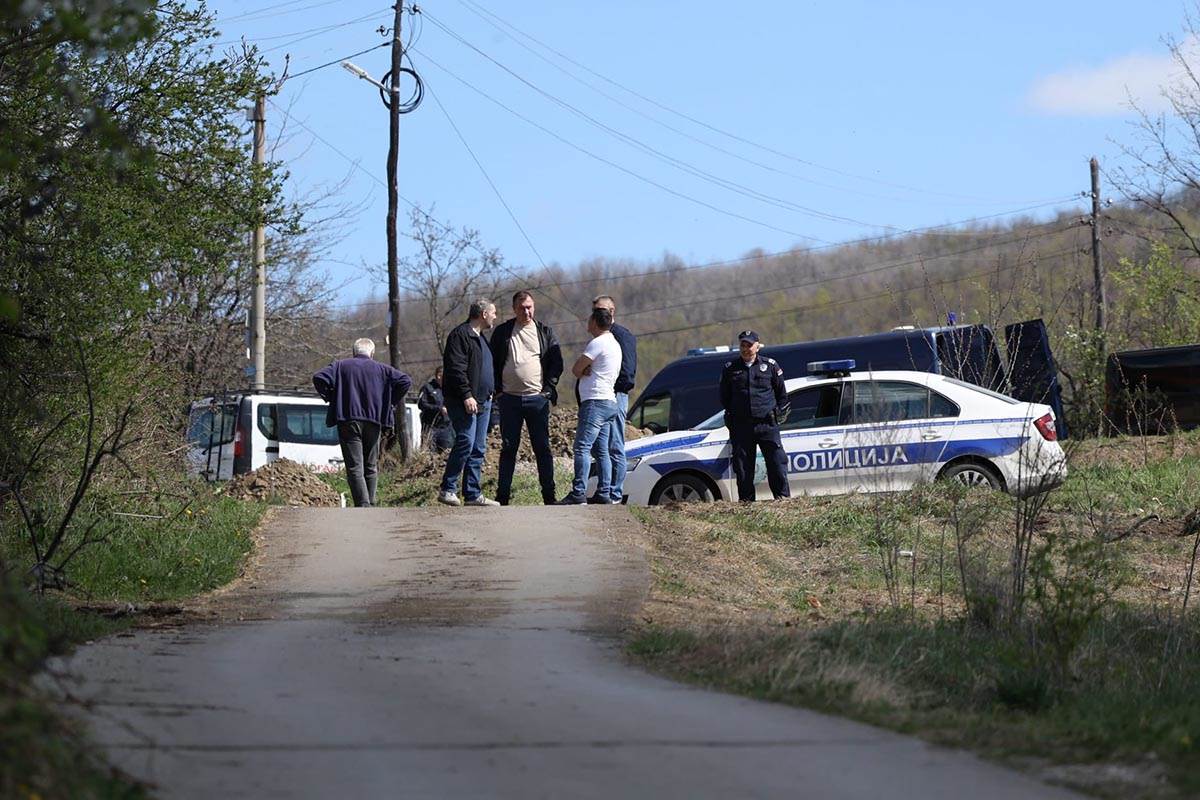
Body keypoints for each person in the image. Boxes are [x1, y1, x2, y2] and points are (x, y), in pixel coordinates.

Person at [312, 337, 412, 508]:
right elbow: (405, 381)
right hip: (374, 420)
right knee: (371, 464)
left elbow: (319, 377)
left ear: (354, 352)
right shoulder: (383, 369)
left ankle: (363, 504)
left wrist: (331, 397)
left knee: (354, 466)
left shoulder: (340, 366)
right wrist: (389, 403)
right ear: (371, 353)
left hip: (348, 419)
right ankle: (370, 503)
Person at [488, 290, 563, 506]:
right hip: (509, 399)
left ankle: (549, 496)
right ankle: (502, 497)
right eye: (522, 308)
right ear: (514, 309)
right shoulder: (503, 332)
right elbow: (491, 363)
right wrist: (497, 390)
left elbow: (557, 363)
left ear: (534, 307)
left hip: (537, 399)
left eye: (530, 307)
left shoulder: (544, 332)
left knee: (542, 448)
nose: (526, 311)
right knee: (509, 448)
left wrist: (548, 389)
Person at [560, 307, 625, 505]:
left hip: (595, 402)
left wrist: (585, 369)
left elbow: (576, 368)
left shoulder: (597, 343)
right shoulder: (614, 344)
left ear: (595, 322)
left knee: (581, 447)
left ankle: (578, 492)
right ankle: (604, 492)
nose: (587, 323)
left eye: (589, 320)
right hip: (609, 402)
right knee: (602, 451)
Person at [438, 298, 499, 507]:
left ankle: (472, 493)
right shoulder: (461, 335)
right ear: (483, 314)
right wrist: (466, 395)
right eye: (493, 313)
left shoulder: (481, 338)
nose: (495, 317)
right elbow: (455, 368)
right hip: (464, 401)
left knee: (478, 447)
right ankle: (448, 488)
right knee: (466, 441)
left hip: (484, 401)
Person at [718, 330, 790, 502]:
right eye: (742, 345)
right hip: (742, 427)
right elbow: (724, 398)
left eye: (749, 345)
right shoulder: (730, 369)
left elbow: (782, 395)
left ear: (757, 346)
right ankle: (747, 505)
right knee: (743, 468)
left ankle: (783, 501)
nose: (745, 349)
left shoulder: (770, 366)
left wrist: (778, 413)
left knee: (776, 464)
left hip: (767, 425)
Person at [588, 295, 636, 504]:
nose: (598, 314)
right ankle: (604, 491)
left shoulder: (621, 336)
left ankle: (615, 493)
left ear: (612, 312)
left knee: (615, 445)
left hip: (614, 396)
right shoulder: (598, 337)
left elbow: (627, 373)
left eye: (602, 310)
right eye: (595, 311)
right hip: (600, 397)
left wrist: (610, 388)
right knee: (601, 447)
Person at [417, 366, 453, 453]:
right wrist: (438, 409)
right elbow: (421, 404)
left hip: (445, 428)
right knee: (429, 454)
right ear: (439, 376)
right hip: (430, 428)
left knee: (446, 454)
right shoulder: (427, 388)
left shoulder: (449, 389)